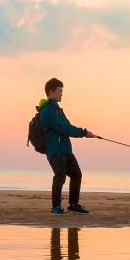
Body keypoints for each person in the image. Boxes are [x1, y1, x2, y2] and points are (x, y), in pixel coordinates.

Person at [36, 77, 96, 215]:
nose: (61, 94)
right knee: (60, 176)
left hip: (65, 149)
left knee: (76, 174)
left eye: (62, 91)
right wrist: (84, 133)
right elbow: (64, 128)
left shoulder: (58, 110)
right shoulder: (47, 111)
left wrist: (84, 132)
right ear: (51, 92)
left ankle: (73, 204)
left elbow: (67, 126)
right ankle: (56, 206)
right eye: (59, 91)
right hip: (54, 150)